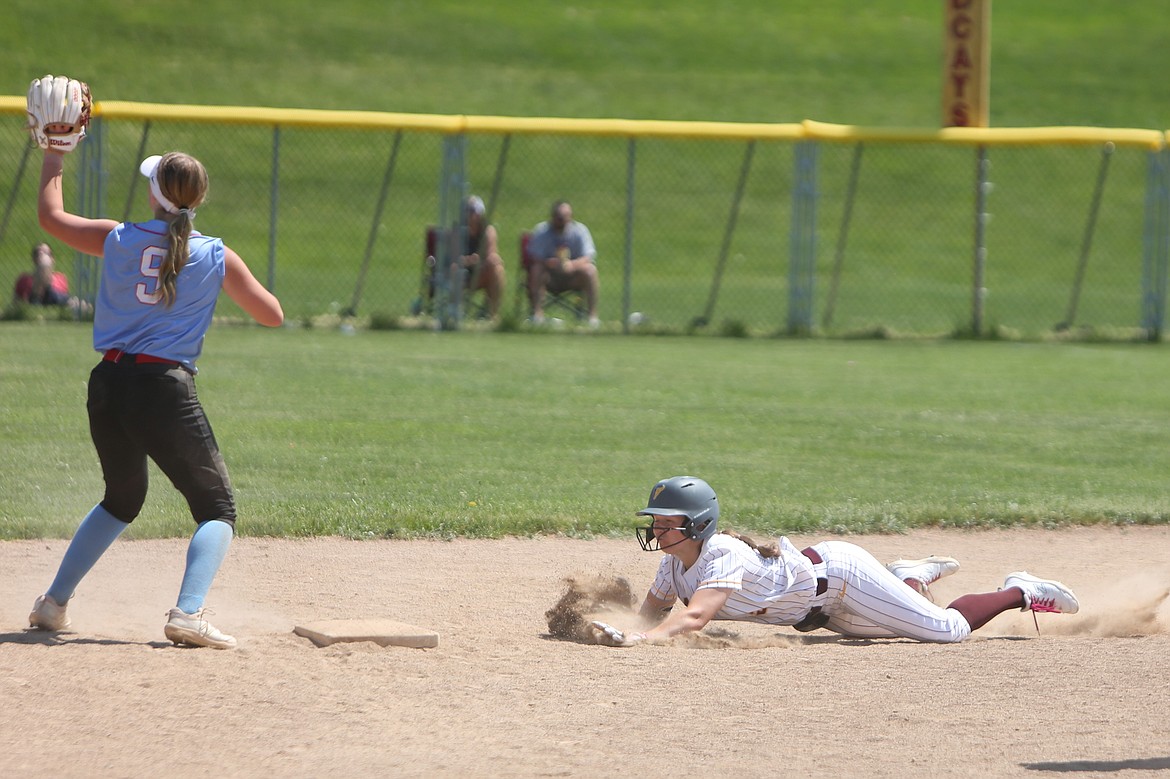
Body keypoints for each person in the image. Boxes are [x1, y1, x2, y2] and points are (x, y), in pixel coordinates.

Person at [27, 146, 284, 649]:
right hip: (163, 388)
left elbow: (50, 217)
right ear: (198, 199)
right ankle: (188, 613)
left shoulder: (118, 237)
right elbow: (270, 314)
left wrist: (55, 155)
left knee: (121, 500)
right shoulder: (214, 254)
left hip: (108, 384)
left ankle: (53, 604)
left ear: (154, 194)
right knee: (217, 508)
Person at [590, 476, 1079, 647]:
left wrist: (640, 640)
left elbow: (692, 618)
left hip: (843, 578)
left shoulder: (719, 552)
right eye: (654, 520)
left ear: (697, 524)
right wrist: (619, 629)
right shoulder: (674, 560)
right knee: (909, 627)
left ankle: (1020, 589)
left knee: (947, 631)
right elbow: (652, 613)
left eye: (665, 521)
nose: (656, 529)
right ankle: (908, 578)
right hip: (821, 613)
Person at [525, 200, 600, 327]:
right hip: (549, 277)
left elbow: (588, 256)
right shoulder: (542, 231)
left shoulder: (580, 231)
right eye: (559, 217)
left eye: (565, 217)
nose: (562, 221)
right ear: (552, 217)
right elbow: (534, 257)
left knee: (590, 270)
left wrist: (572, 265)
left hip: (573, 277)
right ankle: (537, 315)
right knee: (536, 269)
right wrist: (548, 263)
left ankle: (592, 317)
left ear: (571, 217)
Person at [451, 195, 505, 319]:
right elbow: (454, 258)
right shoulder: (457, 231)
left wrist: (479, 261)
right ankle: (454, 314)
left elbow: (491, 255)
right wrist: (470, 260)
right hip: (461, 274)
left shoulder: (487, 231)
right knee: (453, 268)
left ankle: (493, 315)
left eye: (472, 211)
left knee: (496, 265)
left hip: (481, 273)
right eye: (467, 211)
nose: (469, 215)